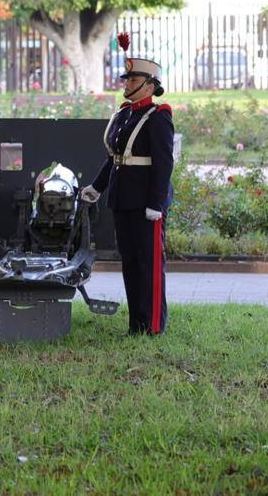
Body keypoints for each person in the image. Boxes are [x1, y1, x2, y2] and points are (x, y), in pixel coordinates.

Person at [81, 32, 174, 335]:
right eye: (127, 79)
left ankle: (153, 325)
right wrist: (97, 187)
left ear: (150, 85)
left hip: (146, 201)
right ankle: (137, 324)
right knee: (131, 263)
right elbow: (116, 158)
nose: (127, 83)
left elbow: (163, 164)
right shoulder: (124, 115)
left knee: (149, 265)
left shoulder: (158, 117)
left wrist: (156, 202)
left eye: (133, 80)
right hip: (123, 198)